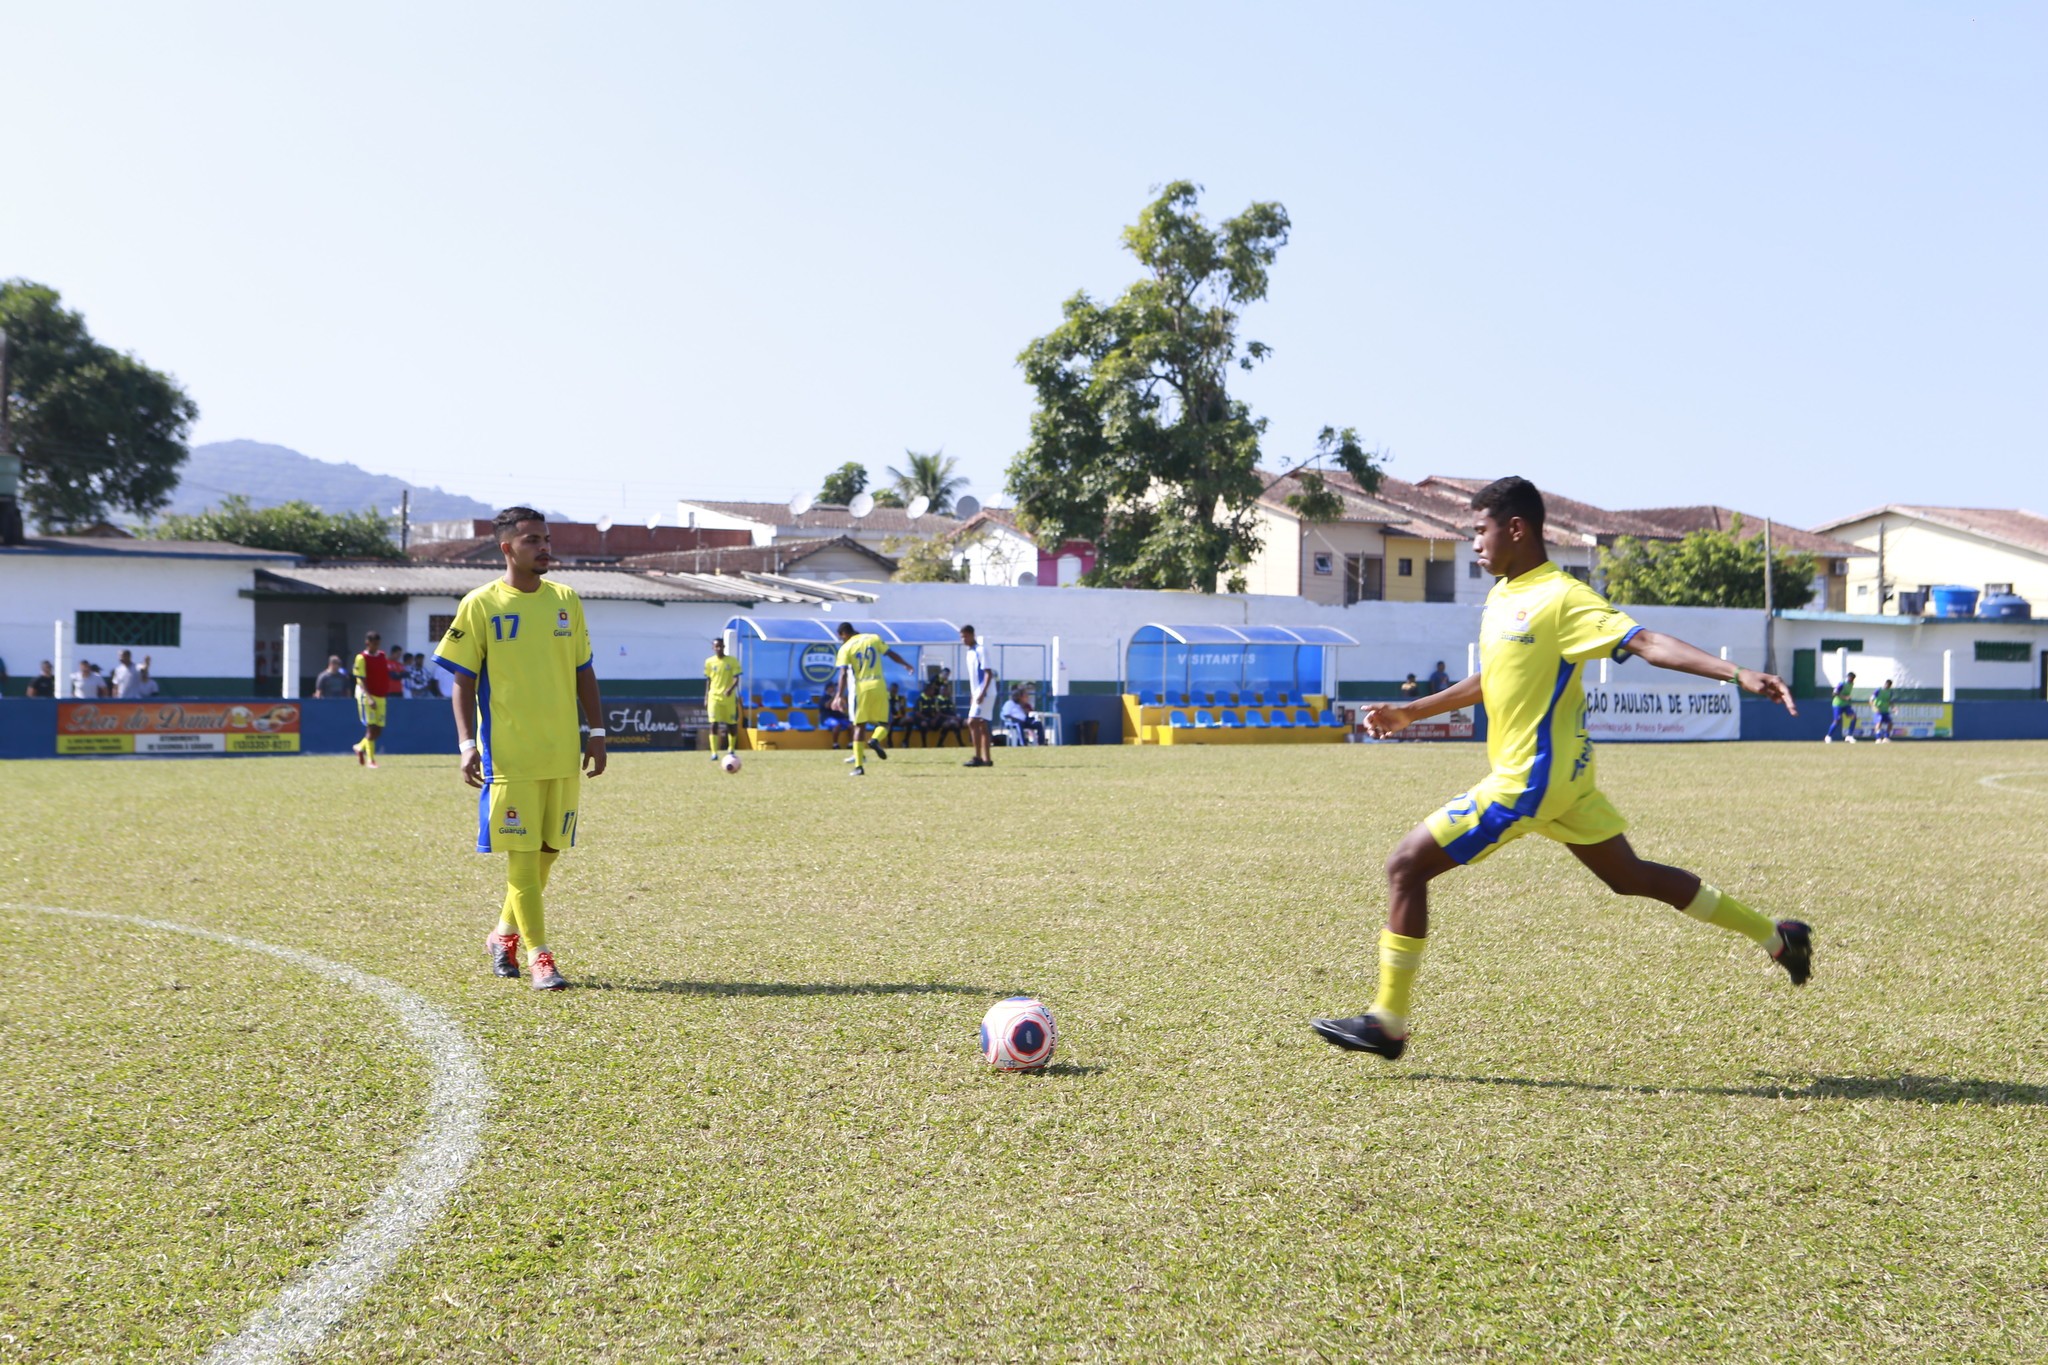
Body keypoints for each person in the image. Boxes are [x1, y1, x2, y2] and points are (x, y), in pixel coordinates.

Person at [1313, 476, 1813, 1061]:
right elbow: (1496, 677)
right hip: (1567, 784)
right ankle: (1777, 937)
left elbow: (1645, 640)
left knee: (1405, 866)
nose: (1474, 544)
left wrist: (1738, 674)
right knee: (1632, 878)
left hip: (1530, 781)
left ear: (1516, 529)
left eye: (1481, 530)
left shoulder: (1562, 596)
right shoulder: (1503, 596)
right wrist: (1412, 711)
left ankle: (1388, 1023)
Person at [433, 505, 606, 993]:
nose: (544, 547)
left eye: (546, 538)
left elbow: (583, 671)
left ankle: (502, 934)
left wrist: (597, 732)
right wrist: (467, 744)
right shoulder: (480, 604)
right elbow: (461, 683)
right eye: (532, 540)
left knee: (549, 850)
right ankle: (540, 957)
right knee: (523, 858)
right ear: (507, 548)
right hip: (508, 756)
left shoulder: (566, 600)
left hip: (561, 752)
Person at [833, 620, 910, 777]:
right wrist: (905, 664)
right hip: (879, 686)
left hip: (861, 688)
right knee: (884, 723)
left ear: (844, 634)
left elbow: (843, 673)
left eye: (841, 638)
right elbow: (890, 653)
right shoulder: (873, 638)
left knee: (859, 726)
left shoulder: (845, 648)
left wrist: (838, 695)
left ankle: (859, 766)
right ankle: (875, 739)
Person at [350, 631, 393, 767]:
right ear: (367, 643)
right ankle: (371, 760)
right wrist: (368, 698)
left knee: (378, 729)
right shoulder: (361, 658)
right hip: (367, 695)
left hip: (380, 695)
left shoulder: (382, 656)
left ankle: (359, 747)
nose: (376, 646)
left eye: (378, 644)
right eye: (374, 644)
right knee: (371, 727)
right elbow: (360, 679)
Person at [959, 624, 998, 768]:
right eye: (962, 636)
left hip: (985, 692)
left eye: (965, 636)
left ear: (972, 635)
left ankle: (977, 757)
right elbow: (974, 677)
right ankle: (987, 759)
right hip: (978, 693)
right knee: (982, 724)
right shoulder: (969, 652)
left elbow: (988, 673)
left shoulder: (981, 650)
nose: (963, 639)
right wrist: (973, 694)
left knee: (971, 722)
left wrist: (982, 693)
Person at [703, 636, 742, 763]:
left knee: (731, 724)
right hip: (714, 697)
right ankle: (714, 752)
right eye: (716, 646)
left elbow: (736, 678)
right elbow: (708, 680)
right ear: (713, 648)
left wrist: (730, 689)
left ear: (724, 647)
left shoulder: (732, 661)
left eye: (721, 646)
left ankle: (731, 749)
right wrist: (706, 697)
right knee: (713, 724)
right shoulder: (709, 662)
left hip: (728, 698)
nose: (719, 648)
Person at [1824, 671, 1858, 744]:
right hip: (1838, 704)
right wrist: (1845, 697)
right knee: (1837, 720)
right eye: (1851, 678)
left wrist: (1848, 699)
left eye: (1853, 679)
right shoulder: (1842, 683)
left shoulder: (1851, 684)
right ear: (1848, 677)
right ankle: (1828, 736)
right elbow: (1834, 693)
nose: (1852, 680)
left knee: (1854, 717)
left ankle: (1849, 736)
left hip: (1846, 705)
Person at [1872, 678, 1896, 743]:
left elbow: (1890, 701)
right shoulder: (1878, 690)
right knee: (1879, 723)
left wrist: (1893, 708)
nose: (1887, 686)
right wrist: (1874, 707)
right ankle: (1878, 738)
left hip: (1885, 710)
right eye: (1887, 684)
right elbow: (1871, 699)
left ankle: (1886, 738)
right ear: (1885, 684)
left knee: (1890, 723)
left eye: (1889, 685)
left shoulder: (1890, 692)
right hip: (1878, 710)